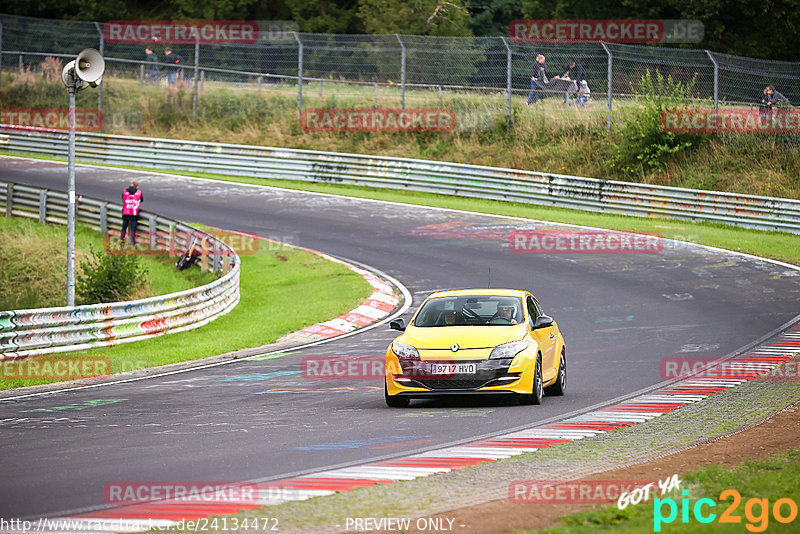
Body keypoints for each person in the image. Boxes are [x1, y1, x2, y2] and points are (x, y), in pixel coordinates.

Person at [121, 180, 142, 246]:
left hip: (126, 212)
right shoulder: (139, 192)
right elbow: (141, 200)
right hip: (134, 213)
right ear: (137, 186)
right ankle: (132, 242)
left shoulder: (124, 191)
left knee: (124, 227)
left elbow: (122, 198)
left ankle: (121, 239)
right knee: (133, 228)